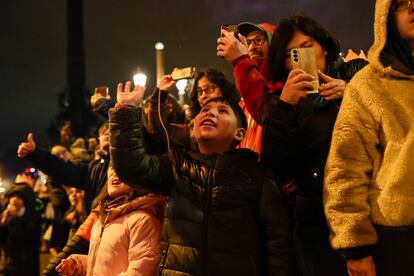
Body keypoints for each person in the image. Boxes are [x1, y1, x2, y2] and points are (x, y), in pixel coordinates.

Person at [109, 80, 296, 275]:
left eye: (223, 111)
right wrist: (126, 111)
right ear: (193, 126)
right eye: (205, 110)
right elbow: (132, 169)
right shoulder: (177, 165)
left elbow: (279, 245)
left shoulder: (258, 176)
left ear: (239, 134)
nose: (210, 113)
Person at [323, 0, 414, 275]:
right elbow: (345, 168)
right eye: (402, 3)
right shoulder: (367, 85)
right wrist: (355, 246)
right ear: (384, 15)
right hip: (398, 238)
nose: (413, 8)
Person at [56, 165, 164, 276]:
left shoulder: (143, 220)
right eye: (112, 167)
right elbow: (107, 264)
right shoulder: (101, 221)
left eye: (122, 165)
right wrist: (79, 265)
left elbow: (142, 268)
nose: (115, 171)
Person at [17, 123, 110, 213]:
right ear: (99, 139)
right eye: (103, 132)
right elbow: (62, 169)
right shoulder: (92, 167)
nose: (106, 133)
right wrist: (35, 154)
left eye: (110, 130)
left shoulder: (121, 164)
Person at [0, 183, 41, 276]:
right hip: (10, 263)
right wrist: (3, 221)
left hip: (27, 264)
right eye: (12, 196)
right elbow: (3, 239)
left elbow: (23, 237)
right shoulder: (6, 215)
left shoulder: (33, 217)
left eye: (19, 197)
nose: (14, 199)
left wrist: (13, 218)